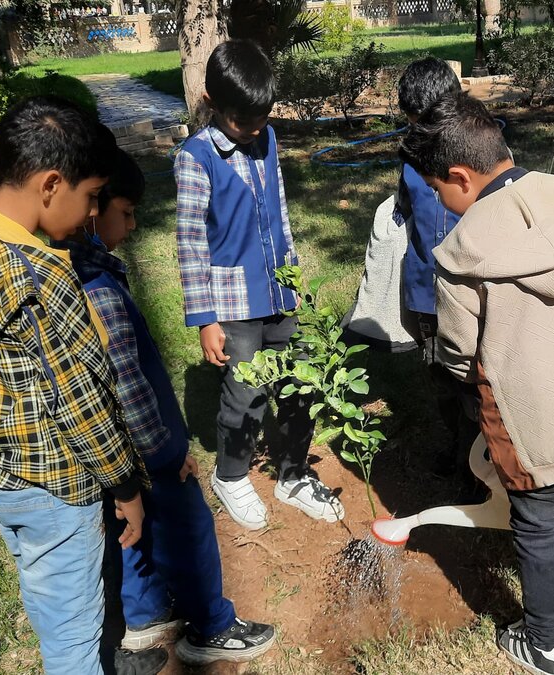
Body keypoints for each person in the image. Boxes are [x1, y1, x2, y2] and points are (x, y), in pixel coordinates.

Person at [0, 96, 165, 675]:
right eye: (91, 196)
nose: (91, 210)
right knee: (72, 629)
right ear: (51, 185)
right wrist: (126, 489)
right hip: (57, 484)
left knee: (46, 592)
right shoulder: (46, 277)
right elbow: (84, 404)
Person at [400, 93, 554, 675]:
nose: (441, 202)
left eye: (439, 190)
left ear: (460, 177)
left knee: (539, 530)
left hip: (537, 424)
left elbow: (462, 354)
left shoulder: (463, 253)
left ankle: (547, 646)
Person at [55, 147, 278, 666]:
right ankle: (212, 626)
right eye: (125, 212)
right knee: (190, 524)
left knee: (131, 527)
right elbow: (128, 385)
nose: (132, 225)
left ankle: (146, 614)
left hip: (109, 451)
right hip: (148, 444)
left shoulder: (77, 269)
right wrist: (165, 452)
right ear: (93, 208)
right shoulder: (98, 287)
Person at [176, 40, 344, 530]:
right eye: (242, 121)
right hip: (234, 300)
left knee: (298, 381)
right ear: (211, 101)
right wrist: (206, 319)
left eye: (261, 119)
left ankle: (293, 474)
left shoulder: (266, 140)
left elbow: (281, 213)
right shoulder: (196, 158)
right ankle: (230, 476)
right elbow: (189, 244)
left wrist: (293, 275)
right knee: (246, 393)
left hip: (280, 292)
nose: (253, 130)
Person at [395, 57, 482, 480]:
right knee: (441, 375)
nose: (421, 134)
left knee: (477, 381)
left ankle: (482, 456)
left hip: (472, 291)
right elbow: (403, 209)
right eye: (414, 125)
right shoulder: (410, 159)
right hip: (426, 291)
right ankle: (460, 446)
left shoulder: (482, 151)